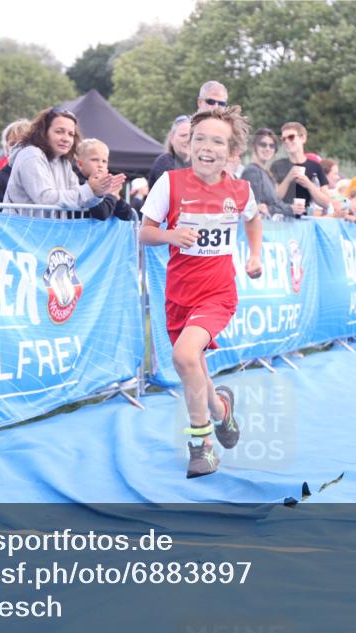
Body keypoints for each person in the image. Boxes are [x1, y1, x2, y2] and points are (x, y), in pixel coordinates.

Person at [139, 105, 263, 479]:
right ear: (189, 145)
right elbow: (144, 232)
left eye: (218, 141)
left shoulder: (240, 190)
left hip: (218, 294)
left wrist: (254, 255)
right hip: (179, 295)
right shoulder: (171, 184)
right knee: (191, 364)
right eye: (200, 139)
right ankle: (221, 409)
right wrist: (170, 235)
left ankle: (202, 446)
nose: (208, 147)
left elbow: (253, 218)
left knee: (184, 355)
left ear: (231, 152)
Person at [4, 107, 123, 214]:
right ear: (43, 132)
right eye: (59, 131)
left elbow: (79, 200)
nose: (66, 139)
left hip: (46, 233)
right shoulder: (31, 155)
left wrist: (98, 192)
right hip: (21, 233)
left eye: (71, 134)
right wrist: (90, 190)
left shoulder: (64, 162)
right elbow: (45, 199)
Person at [270, 122, 331, 217]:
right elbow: (273, 199)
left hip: (306, 222)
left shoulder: (315, 166)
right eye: (283, 139)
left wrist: (309, 184)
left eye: (291, 137)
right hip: (283, 220)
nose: (286, 141)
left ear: (303, 138)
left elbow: (326, 203)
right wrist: (288, 179)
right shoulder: (277, 165)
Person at [74, 139, 133, 221]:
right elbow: (102, 213)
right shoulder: (77, 182)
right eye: (94, 160)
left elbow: (127, 215)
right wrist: (112, 195)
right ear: (80, 164)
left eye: (104, 161)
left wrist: (117, 197)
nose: (100, 165)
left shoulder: (106, 183)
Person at [240, 128, 293, 219]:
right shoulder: (252, 172)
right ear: (254, 147)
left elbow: (274, 204)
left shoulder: (265, 172)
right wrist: (290, 209)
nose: (267, 149)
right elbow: (257, 209)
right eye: (263, 145)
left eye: (271, 146)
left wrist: (290, 208)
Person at [148, 115, 191, 189]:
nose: (188, 140)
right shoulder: (164, 163)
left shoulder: (199, 163)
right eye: (183, 135)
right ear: (172, 138)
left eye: (192, 135)